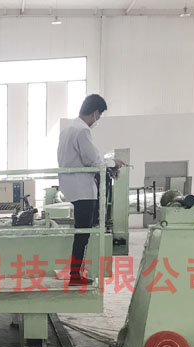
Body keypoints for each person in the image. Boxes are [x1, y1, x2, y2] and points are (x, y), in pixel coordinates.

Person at [57, 94, 126, 285]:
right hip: (83, 189)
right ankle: (75, 275)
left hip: (71, 186)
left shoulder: (68, 129)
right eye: (100, 115)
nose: (98, 119)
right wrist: (113, 163)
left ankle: (75, 273)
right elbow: (93, 160)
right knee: (83, 233)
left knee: (82, 232)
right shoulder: (82, 131)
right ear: (95, 113)